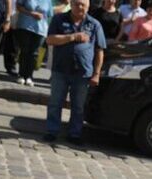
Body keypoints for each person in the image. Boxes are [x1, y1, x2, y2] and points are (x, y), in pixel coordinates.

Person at [42, 0, 105, 145]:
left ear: (88, 6)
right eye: (77, 4)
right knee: (55, 103)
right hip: (60, 70)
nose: (80, 7)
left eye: (83, 4)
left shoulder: (94, 24)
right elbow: (50, 39)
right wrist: (72, 37)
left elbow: (99, 50)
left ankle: (74, 134)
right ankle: (52, 131)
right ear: (71, 4)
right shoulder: (59, 19)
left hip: (83, 73)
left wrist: (96, 73)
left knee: (78, 106)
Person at [14, 0, 51, 86]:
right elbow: (19, 7)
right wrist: (31, 13)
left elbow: (49, 14)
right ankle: (21, 75)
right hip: (25, 26)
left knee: (34, 53)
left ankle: (29, 76)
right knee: (24, 51)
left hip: (40, 30)